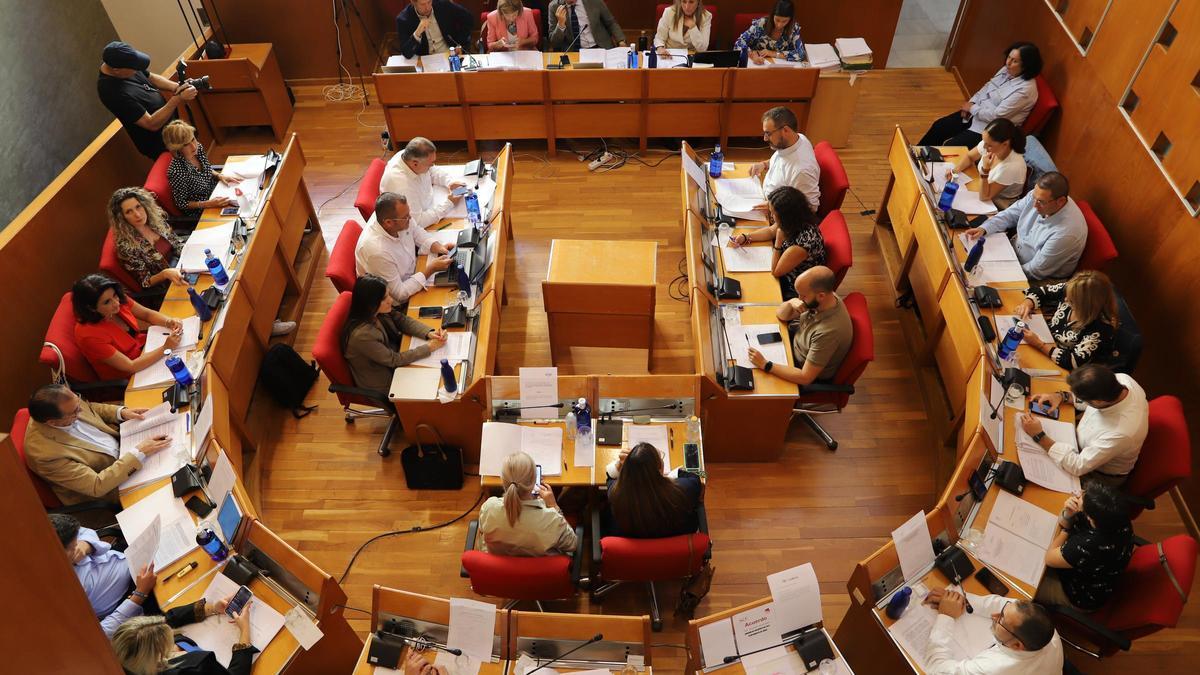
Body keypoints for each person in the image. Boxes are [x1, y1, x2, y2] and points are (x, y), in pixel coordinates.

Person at [22, 384, 171, 504]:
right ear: (53, 422)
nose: (80, 409)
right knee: (171, 483)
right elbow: (96, 485)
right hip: (113, 483)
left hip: (126, 445)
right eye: (75, 411)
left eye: (78, 401)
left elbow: (91, 407)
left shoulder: (67, 402)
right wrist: (138, 453)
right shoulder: (44, 455)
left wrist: (120, 412)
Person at [1018, 364, 1149, 485]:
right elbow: (1088, 398)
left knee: (1025, 474)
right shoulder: (1121, 379)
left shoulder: (1121, 432)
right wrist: (1061, 396)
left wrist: (1039, 436)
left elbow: (1077, 466)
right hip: (1077, 441)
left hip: (1096, 474)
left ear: (1098, 402)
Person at [964, 172, 1087, 281]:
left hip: (1040, 278)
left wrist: (997, 273)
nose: (1034, 206)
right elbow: (1011, 214)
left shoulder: (1066, 234)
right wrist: (984, 228)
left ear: (1060, 202)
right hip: (1012, 252)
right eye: (1034, 197)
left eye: (1040, 202)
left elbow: (1035, 270)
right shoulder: (1040, 196)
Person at [50, 513, 157, 637]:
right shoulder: (60, 596)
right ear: (57, 553)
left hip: (124, 555)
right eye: (73, 547)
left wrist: (86, 544)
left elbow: (84, 532)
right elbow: (100, 633)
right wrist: (140, 594)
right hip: (132, 596)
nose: (76, 546)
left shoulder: (54, 536)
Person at [919, 41, 1041, 147]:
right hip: (976, 113)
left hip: (992, 128)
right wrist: (972, 102)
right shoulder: (1007, 69)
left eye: (1014, 61)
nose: (1008, 63)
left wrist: (972, 108)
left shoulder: (1025, 91)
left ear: (1026, 66)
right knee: (940, 126)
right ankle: (912, 156)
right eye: (1009, 57)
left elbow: (996, 116)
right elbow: (987, 87)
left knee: (951, 147)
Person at [1036, 484, 1135, 611]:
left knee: (1028, 585)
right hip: (1093, 572)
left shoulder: (1091, 545)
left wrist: (1066, 530)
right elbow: (1067, 520)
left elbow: (1049, 559)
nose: (1079, 495)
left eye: (1082, 496)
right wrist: (1068, 514)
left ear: (1091, 518)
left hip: (1080, 593)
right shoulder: (1117, 518)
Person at [748, 266, 852, 386]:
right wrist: (791, 302)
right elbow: (782, 315)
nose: (800, 299)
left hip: (799, 370)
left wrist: (766, 365)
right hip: (792, 344)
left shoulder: (829, 332)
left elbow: (805, 378)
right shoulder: (821, 300)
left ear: (821, 296)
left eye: (803, 296)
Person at [343, 274, 448, 393]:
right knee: (436, 385)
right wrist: (429, 347)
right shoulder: (362, 336)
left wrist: (429, 333)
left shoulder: (374, 310)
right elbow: (393, 360)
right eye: (384, 298)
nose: (391, 300)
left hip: (393, 354)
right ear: (371, 302)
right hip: (384, 381)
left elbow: (401, 320)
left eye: (388, 294)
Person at [72, 273, 184, 380]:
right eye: (107, 302)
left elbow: (147, 314)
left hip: (145, 349)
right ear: (91, 308)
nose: (116, 303)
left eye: (114, 295)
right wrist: (165, 348)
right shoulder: (88, 335)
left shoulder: (117, 299)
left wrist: (168, 321)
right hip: (132, 376)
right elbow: (130, 366)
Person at [923, 589, 1063, 674]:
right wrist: (960, 600)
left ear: (1017, 645)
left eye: (1001, 620)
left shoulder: (993, 668)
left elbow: (936, 669)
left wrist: (946, 616)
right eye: (1003, 611)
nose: (994, 616)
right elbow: (1000, 604)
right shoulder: (1044, 629)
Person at [97, 41, 197, 159]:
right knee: (186, 171)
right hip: (160, 143)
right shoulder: (111, 92)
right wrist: (177, 98)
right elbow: (151, 124)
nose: (136, 70)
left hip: (173, 128)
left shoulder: (125, 63)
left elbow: (151, 77)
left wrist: (176, 87)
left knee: (197, 158)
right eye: (134, 69)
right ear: (116, 70)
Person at [110, 596, 256, 675]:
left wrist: (211, 608)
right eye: (169, 640)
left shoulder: (129, 652)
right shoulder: (195, 668)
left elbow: (169, 619)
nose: (173, 636)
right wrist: (244, 632)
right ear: (160, 656)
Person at [355, 193, 456, 304]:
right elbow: (399, 294)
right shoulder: (377, 252)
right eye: (406, 217)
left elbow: (416, 231)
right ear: (388, 222)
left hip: (416, 270)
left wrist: (437, 246)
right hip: (397, 303)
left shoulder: (397, 216)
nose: (410, 218)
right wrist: (430, 270)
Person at [728, 186, 826, 299]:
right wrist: (746, 237)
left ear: (786, 216)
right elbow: (770, 231)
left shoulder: (802, 245)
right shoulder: (795, 220)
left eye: (774, 214)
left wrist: (778, 243)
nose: (772, 217)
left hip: (795, 285)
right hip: (784, 265)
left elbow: (776, 271)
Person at [1014, 270, 1119, 370]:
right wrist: (1027, 303)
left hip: (1058, 362)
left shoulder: (1101, 329)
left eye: (1072, 301)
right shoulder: (1072, 289)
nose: (1065, 299)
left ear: (1087, 306)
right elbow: (1042, 291)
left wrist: (1039, 344)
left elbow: (1073, 361)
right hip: (1043, 340)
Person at [477, 451, 578, 556]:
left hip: (501, 569)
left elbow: (483, 538)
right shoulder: (551, 519)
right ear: (535, 481)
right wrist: (553, 505)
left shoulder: (489, 508)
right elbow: (572, 544)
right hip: (540, 570)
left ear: (503, 480)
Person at [604, 443, 702, 539]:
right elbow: (696, 475)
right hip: (674, 551)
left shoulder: (615, 494)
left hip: (633, 552)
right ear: (660, 470)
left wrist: (619, 464)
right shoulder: (685, 489)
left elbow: (610, 477)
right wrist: (668, 477)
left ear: (627, 472)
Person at [107, 187, 187, 293]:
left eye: (138, 207)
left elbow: (176, 242)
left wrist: (190, 252)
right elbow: (145, 282)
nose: (137, 214)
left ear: (144, 205)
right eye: (129, 212)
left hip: (185, 265)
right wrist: (165, 273)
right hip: (170, 285)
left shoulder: (155, 220)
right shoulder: (126, 247)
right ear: (122, 217)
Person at [379, 138, 468, 230]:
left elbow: (432, 171)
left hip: (431, 203)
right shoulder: (401, 185)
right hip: (417, 227)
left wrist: (449, 182)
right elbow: (418, 222)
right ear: (415, 164)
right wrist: (449, 204)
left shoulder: (409, 156)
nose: (432, 166)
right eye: (430, 164)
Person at [749, 106, 821, 212]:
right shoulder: (797, 139)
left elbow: (810, 208)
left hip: (776, 215)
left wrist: (774, 207)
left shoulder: (802, 171)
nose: (765, 138)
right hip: (764, 200)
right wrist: (764, 164)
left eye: (768, 133)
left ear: (786, 130)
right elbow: (782, 160)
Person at [162, 120, 239, 218]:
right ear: (177, 148)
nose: (193, 146)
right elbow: (181, 203)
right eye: (186, 144)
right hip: (202, 208)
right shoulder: (176, 172)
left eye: (193, 139)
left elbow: (206, 169)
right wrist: (208, 204)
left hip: (217, 191)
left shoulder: (198, 148)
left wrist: (219, 176)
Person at [949, 118, 1028, 210]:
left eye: (989, 145)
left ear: (1005, 144)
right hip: (980, 187)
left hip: (997, 203)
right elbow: (970, 157)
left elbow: (985, 196)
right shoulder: (990, 144)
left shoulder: (1013, 166)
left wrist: (985, 170)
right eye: (984, 142)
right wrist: (955, 171)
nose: (984, 147)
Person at [396, 0, 474, 59]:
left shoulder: (443, 4)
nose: (427, 8)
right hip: (425, 59)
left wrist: (459, 44)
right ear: (413, 2)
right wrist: (417, 33)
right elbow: (407, 54)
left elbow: (469, 19)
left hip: (449, 55)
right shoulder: (403, 19)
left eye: (429, 2)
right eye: (422, 4)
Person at [734, 1, 806, 64]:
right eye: (777, 20)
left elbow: (801, 54)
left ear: (790, 20)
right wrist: (752, 55)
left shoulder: (793, 28)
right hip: (758, 64)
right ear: (772, 16)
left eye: (784, 21)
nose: (779, 25)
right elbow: (739, 42)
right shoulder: (761, 24)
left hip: (781, 67)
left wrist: (772, 53)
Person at [547, 0, 627, 51]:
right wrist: (560, 25)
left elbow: (611, 23)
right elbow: (555, 42)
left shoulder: (594, 2)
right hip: (575, 52)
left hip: (600, 48)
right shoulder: (554, 7)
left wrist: (621, 41)